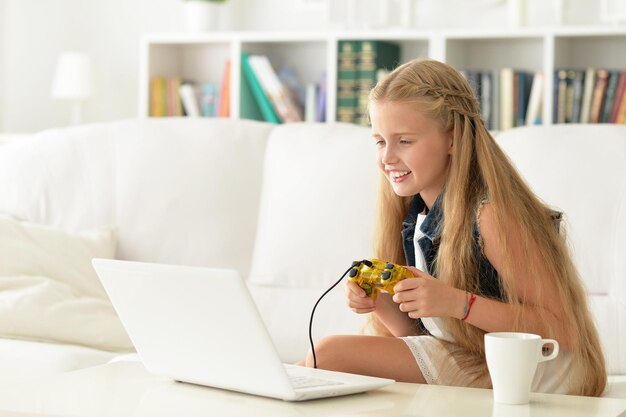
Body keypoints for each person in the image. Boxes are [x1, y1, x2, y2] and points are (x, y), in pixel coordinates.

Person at [299, 58, 606, 396]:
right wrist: (381, 302)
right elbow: (421, 342)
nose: (387, 157)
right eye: (379, 141)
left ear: (453, 139)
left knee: (331, 354)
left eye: (404, 141)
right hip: (478, 360)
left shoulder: (492, 215)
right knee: (335, 362)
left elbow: (562, 330)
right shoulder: (414, 218)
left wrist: (458, 303)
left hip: (537, 370)